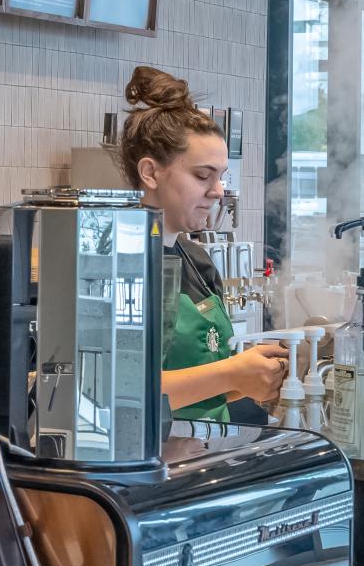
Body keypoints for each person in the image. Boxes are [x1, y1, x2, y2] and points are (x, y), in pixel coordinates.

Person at [114, 66, 288, 422]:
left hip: (204, 449)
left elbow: (206, 388)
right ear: (150, 173)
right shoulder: (116, 263)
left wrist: (259, 376)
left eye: (221, 177)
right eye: (202, 175)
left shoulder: (197, 261)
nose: (218, 191)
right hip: (149, 452)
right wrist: (231, 373)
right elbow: (119, 391)